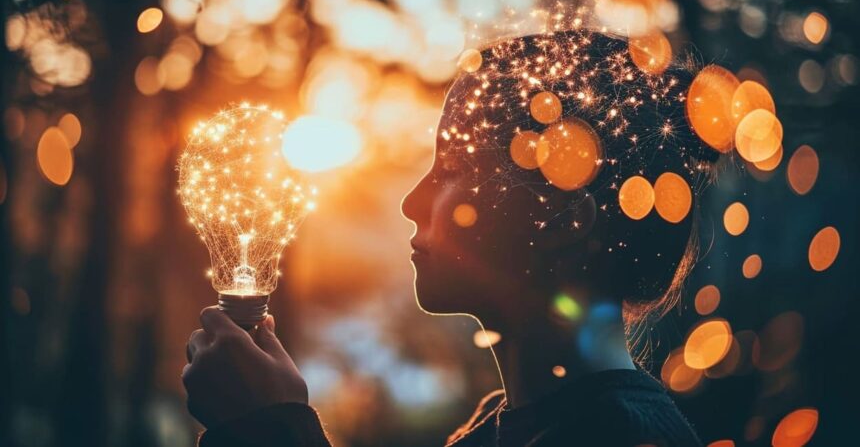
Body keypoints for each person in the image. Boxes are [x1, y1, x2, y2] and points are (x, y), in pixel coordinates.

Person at [183, 28, 718, 446]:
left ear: (561, 220)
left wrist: (271, 431)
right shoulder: (501, 424)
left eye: (452, 169)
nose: (412, 202)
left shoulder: (617, 438)